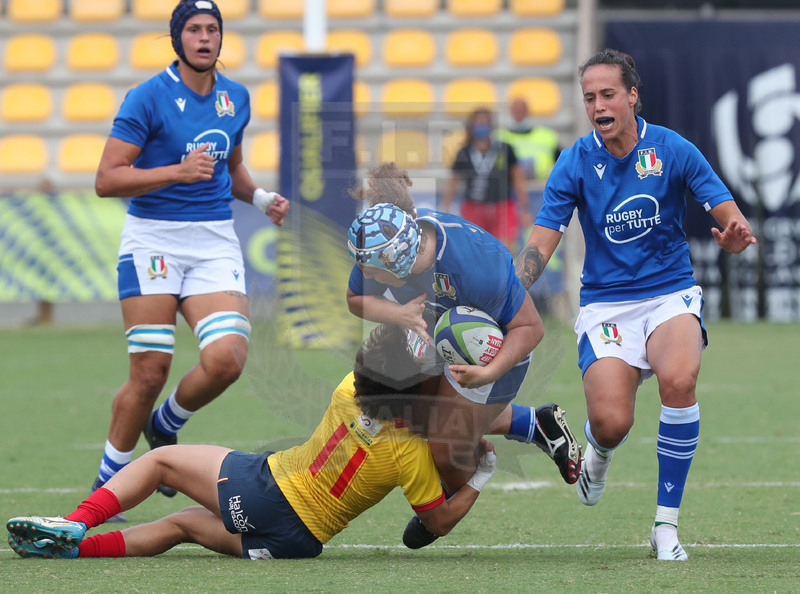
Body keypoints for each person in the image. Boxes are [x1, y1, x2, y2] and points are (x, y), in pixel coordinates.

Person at [516, 49, 757, 561]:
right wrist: (517, 285)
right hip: (606, 307)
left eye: (607, 94)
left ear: (632, 95)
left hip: (670, 293)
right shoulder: (576, 161)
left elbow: (727, 212)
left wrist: (735, 234)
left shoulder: (672, 149)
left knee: (680, 381)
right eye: (589, 97)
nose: (598, 105)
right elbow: (542, 240)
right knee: (611, 423)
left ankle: (665, 527)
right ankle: (598, 450)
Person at [7, 324, 497, 561]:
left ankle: (74, 525)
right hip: (298, 542)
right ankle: (75, 553)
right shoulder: (411, 452)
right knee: (179, 525)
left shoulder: (349, 390)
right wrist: (479, 477)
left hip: (266, 490)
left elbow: (385, 357)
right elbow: (437, 521)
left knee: (158, 460)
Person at [90, 0, 289, 519]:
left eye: (213, 29)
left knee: (227, 360)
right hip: (153, 240)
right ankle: (106, 488)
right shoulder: (148, 97)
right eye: (194, 30)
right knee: (150, 371)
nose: (205, 38)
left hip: (212, 240)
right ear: (177, 39)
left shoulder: (236, 98)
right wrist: (174, 173)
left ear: (221, 38)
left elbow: (231, 169)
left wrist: (262, 198)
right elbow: (106, 178)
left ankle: (168, 423)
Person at [346, 163, 581, 548]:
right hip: (440, 332)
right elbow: (354, 299)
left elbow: (530, 328)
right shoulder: (384, 246)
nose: (366, 274)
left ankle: (454, 495)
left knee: (443, 448)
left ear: (399, 263)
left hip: (499, 345)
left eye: (373, 270)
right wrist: (398, 313)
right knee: (400, 404)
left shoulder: (475, 266)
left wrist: (489, 374)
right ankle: (535, 424)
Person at [441, 108, 531, 252]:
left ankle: (503, 275)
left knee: (505, 249)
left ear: (491, 126)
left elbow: (518, 179)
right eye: (478, 124)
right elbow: (453, 181)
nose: (481, 127)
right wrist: (446, 207)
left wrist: (525, 208)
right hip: (474, 207)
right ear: (471, 127)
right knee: (474, 250)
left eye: (484, 123)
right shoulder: (464, 152)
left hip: (502, 206)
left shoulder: (505, 149)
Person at [495, 97, 561, 187]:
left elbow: (562, 163)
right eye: (516, 111)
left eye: (522, 111)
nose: (519, 115)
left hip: (541, 188)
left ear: (528, 112)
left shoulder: (547, 136)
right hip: (509, 188)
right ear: (510, 112)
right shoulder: (499, 137)